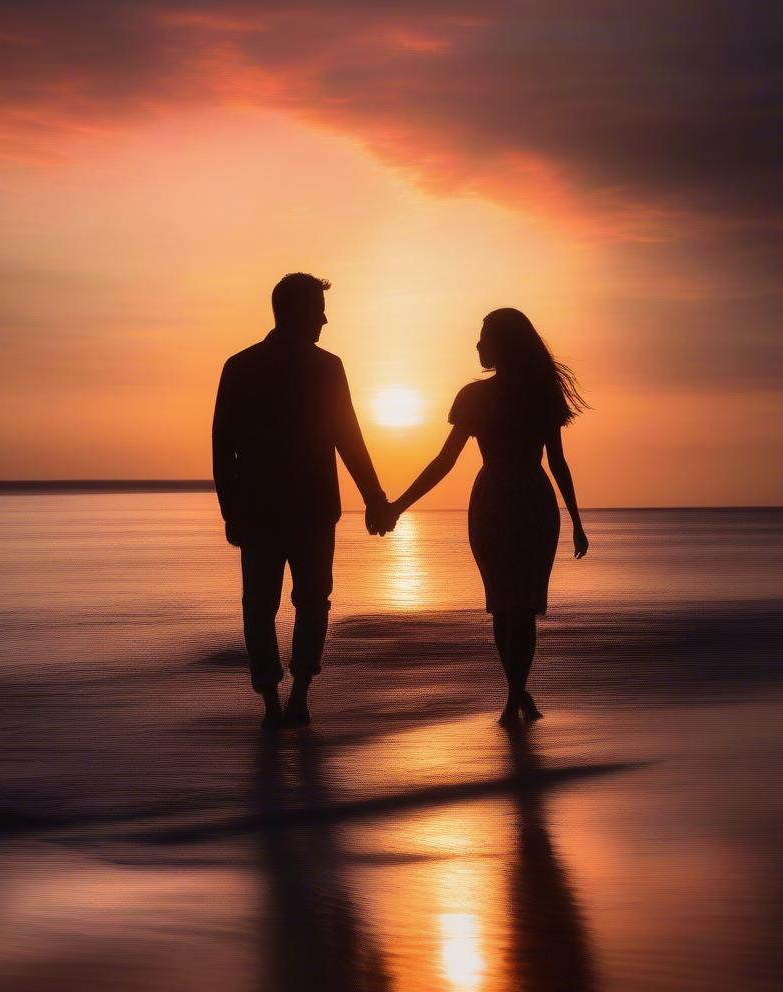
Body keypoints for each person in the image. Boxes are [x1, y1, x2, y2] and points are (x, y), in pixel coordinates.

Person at [378, 308, 588, 726]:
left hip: (507, 500)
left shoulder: (516, 395)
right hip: (520, 500)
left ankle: (513, 697)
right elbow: (445, 461)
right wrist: (399, 506)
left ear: (501, 344)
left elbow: (558, 462)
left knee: (515, 606)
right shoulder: (499, 395)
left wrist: (579, 523)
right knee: (508, 606)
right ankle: (516, 692)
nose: (477, 345)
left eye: (483, 338)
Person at [212, 273, 391, 729]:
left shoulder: (240, 365)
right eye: (319, 310)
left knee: (261, 605)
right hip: (307, 511)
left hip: (260, 510)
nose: (326, 319)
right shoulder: (325, 367)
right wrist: (374, 498)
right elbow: (348, 436)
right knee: (311, 602)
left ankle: (273, 702)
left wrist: (230, 510)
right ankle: (298, 696)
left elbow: (221, 448)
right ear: (296, 311)